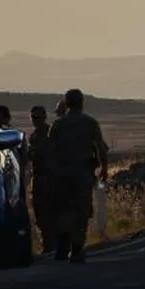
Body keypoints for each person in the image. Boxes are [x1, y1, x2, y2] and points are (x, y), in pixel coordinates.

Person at [47, 88, 108, 263]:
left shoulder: (58, 125)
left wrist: (53, 172)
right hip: (83, 172)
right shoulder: (90, 123)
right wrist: (104, 168)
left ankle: (62, 246)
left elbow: (51, 151)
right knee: (82, 211)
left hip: (62, 173)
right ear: (81, 103)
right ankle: (77, 248)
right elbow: (100, 147)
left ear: (66, 104)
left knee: (64, 209)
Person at [27, 104, 55, 254]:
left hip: (49, 177)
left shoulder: (50, 134)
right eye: (33, 118)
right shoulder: (35, 135)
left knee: (50, 212)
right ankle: (48, 243)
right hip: (38, 178)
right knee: (40, 213)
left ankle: (52, 243)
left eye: (37, 117)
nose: (35, 120)